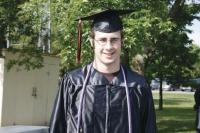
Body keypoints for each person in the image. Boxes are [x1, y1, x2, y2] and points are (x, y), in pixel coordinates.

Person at [49, 9, 157, 133]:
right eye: (102, 40)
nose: (109, 46)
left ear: (122, 41)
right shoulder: (73, 82)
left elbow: (149, 129)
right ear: (92, 42)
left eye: (114, 39)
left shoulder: (138, 85)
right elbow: (58, 128)